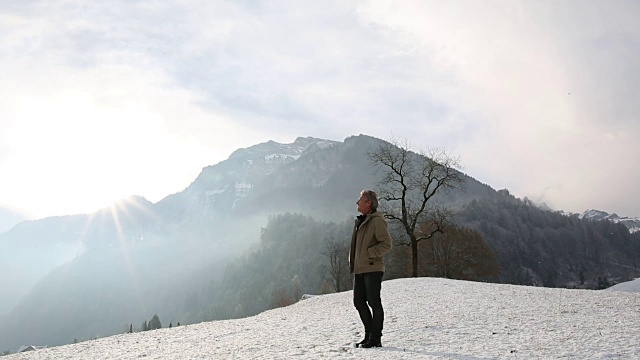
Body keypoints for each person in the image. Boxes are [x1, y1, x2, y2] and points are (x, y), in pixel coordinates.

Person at [349, 189, 393, 348]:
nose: (357, 202)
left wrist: (369, 254)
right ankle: (368, 334)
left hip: (373, 268)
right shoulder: (362, 220)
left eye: (360, 200)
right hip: (360, 268)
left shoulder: (376, 221)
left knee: (374, 302)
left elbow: (386, 244)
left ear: (369, 203)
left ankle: (376, 338)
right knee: (359, 302)